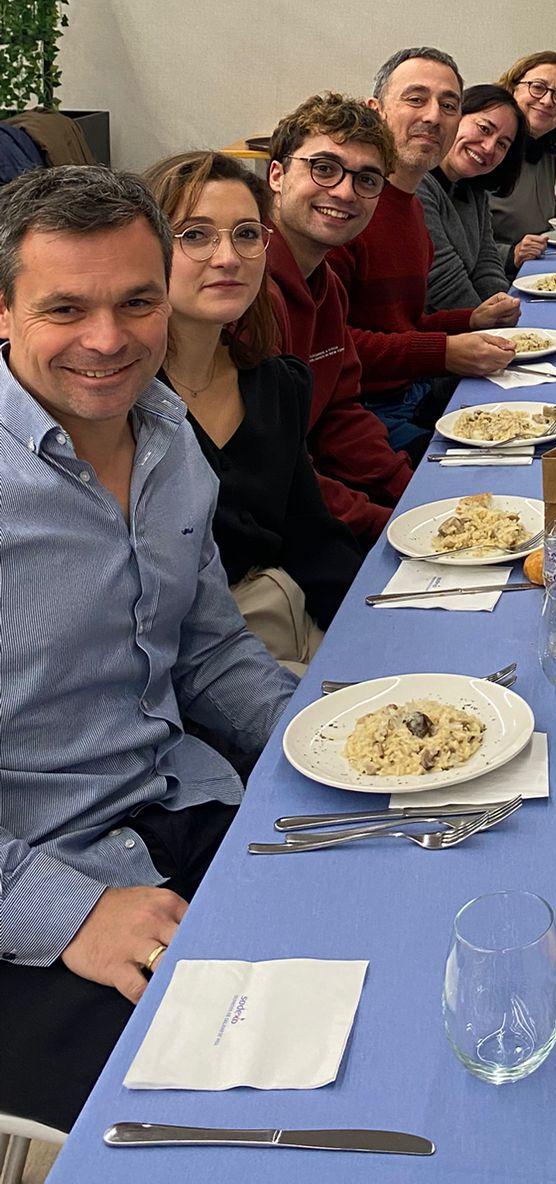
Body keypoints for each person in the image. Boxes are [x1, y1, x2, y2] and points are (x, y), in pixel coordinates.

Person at [0, 167, 296, 1133]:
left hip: (187, 808)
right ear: (4, 312)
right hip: (44, 892)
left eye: (135, 301)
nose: (107, 339)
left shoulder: (168, 441)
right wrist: (68, 913)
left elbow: (210, 653)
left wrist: (326, 734)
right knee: (214, 1132)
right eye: (65, 308)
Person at [142, 150, 362, 672]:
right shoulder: (124, 406)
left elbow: (314, 540)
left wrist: (374, 631)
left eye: (245, 234)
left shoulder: (277, 385)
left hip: (285, 625)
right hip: (189, 663)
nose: (228, 257)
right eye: (195, 235)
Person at [332, 47, 519, 459]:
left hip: (412, 389)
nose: (433, 116)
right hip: (362, 411)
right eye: (416, 99)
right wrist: (445, 351)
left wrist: (468, 319)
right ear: (376, 111)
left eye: (448, 105)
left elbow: (403, 323)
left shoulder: (411, 204)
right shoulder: (344, 207)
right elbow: (330, 343)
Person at [264, 91, 414, 542]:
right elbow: (275, 468)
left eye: (366, 180)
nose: (345, 192)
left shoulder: (325, 284)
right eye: (324, 168)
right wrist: (385, 524)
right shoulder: (242, 291)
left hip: (314, 492)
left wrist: (411, 493)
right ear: (277, 174)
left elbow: (339, 413)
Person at [419, 82, 525, 311]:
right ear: (456, 115)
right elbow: (442, 281)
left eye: (502, 144)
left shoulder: (475, 190)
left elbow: (486, 264)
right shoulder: (418, 183)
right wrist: (492, 328)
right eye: (485, 129)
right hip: (433, 332)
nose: (489, 147)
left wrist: (504, 308)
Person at [489, 51, 556, 271]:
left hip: (536, 265)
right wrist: (510, 254)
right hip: (498, 278)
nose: (547, 101)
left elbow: (540, 208)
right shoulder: (487, 150)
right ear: (512, 88)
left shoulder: (544, 150)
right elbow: (459, 240)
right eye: (538, 87)